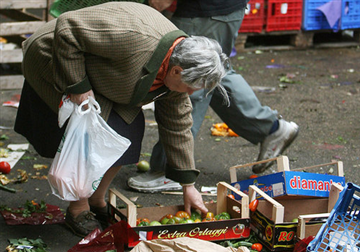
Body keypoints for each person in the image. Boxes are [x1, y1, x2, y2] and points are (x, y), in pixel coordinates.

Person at [14, 2, 230, 237]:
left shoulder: (176, 70)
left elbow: (178, 126)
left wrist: (188, 186)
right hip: (55, 55)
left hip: (104, 74)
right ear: (176, 71)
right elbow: (67, 28)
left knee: (129, 130)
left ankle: (97, 199)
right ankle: (78, 209)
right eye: (190, 87)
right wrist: (77, 85)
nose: (190, 94)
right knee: (95, 130)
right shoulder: (134, 37)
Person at [127, 0, 299, 192]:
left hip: (207, 10)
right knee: (210, 72)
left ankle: (171, 171)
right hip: (220, 10)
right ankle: (270, 128)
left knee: (187, 79)